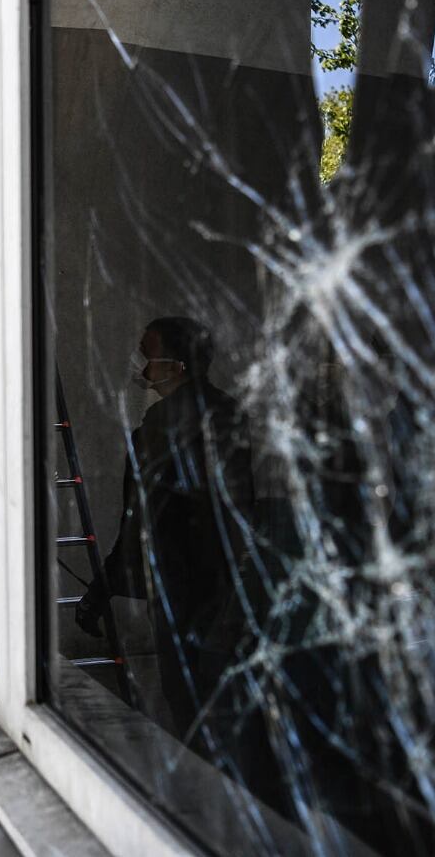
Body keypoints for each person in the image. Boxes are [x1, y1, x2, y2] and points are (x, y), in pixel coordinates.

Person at [75, 317, 255, 743]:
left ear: (176, 365)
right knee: (205, 699)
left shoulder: (187, 422)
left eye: (148, 353)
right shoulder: (192, 415)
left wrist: (103, 586)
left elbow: (148, 513)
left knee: (198, 701)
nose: (140, 362)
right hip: (197, 583)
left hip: (195, 585)